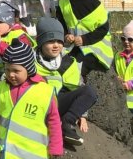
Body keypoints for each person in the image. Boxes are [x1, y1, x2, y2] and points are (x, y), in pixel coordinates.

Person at [34, 17, 97, 146]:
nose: (56, 45)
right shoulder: (29, 58)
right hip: (38, 103)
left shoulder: (67, 61)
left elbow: (78, 87)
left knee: (89, 92)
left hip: (58, 103)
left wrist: (82, 115)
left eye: (59, 41)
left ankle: (67, 124)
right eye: (51, 41)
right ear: (40, 42)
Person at [57, 0, 113, 78]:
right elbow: (60, 25)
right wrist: (66, 35)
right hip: (73, 48)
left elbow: (103, 29)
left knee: (75, 69)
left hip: (95, 51)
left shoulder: (95, 4)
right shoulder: (63, 4)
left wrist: (84, 39)